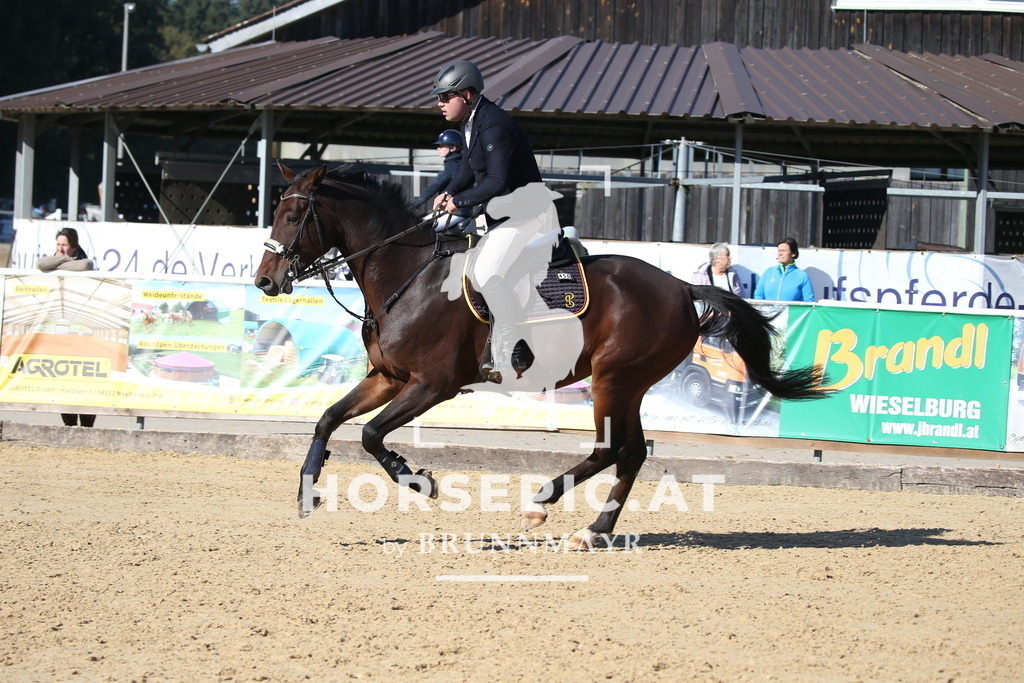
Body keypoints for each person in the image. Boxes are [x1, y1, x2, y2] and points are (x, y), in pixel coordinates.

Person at [430, 60, 548, 383]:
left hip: (525, 216)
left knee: (485, 272)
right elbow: (469, 167)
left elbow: (496, 181)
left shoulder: (494, 123)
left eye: (445, 96)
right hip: (499, 214)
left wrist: (458, 202)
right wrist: (449, 191)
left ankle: (513, 347)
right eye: (439, 97)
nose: (440, 103)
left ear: (467, 95)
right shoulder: (471, 121)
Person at [36, 227, 97, 427]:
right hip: (60, 330)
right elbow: (41, 264)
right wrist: (64, 259)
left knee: (85, 382)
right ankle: (69, 426)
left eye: (65, 245)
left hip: (81, 329)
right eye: (58, 244)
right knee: (63, 381)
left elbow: (84, 265)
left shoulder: (82, 260)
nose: (60, 248)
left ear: (74, 246)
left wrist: (60, 263)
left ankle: (87, 426)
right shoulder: (57, 259)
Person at [409, 129, 466, 215]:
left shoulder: (449, 167)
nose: (438, 148)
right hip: (461, 211)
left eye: (442, 145)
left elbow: (430, 190)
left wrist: (411, 207)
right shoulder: (460, 164)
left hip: (453, 213)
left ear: (453, 148)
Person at [753, 237, 815, 302]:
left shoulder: (802, 276)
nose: (780, 254)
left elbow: (809, 301)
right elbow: (758, 295)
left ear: (793, 253)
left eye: (783, 251)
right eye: (779, 250)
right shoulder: (769, 272)